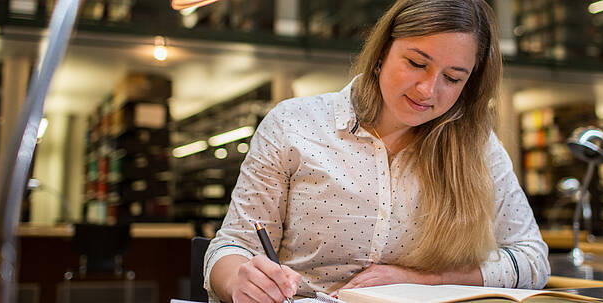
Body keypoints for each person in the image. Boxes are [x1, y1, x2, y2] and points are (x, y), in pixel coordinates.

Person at [204, 0, 551, 302]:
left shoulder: (479, 147)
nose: (428, 90)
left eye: (454, 78)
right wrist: (239, 281)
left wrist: (424, 282)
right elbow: (233, 245)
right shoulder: (294, 124)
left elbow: (533, 260)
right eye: (417, 63)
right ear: (383, 50)